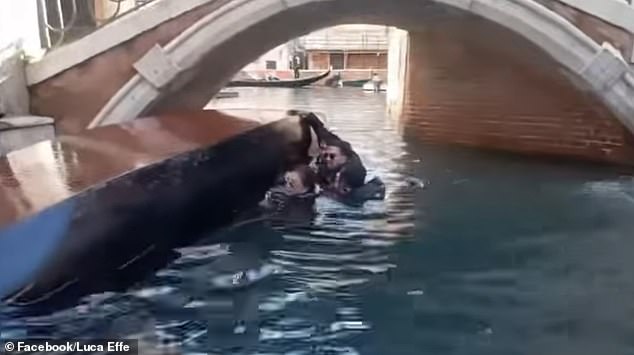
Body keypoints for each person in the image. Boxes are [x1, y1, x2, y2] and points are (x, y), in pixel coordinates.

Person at [300, 112, 367, 195]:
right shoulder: (331, 144)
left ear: (344, 158)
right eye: (325, 155)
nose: (327, 159)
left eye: (332, 156)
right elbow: (322, 131)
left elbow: (338, 193)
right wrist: (310, 118)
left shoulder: (351, 170)